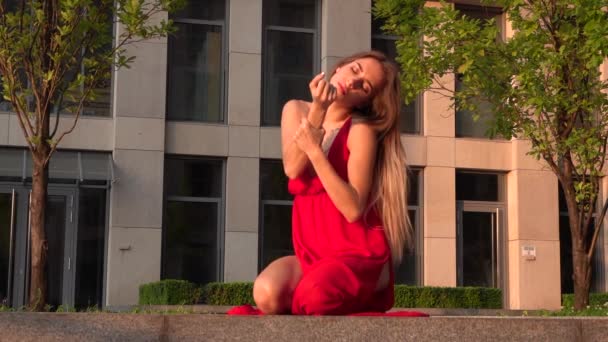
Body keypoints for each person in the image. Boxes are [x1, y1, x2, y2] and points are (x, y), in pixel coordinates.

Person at [253, 50, 412, 315]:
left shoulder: (360, 131)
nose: (352, 82)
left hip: (355, 251)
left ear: (365, 101)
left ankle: (369, 283)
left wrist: (315, 152)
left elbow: (353, 209)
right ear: (341, 67)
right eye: (355, 69)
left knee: (315, 296)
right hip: (313, 253)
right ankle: (326, 288)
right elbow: (293, 169)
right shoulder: (295, 109)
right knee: (266, 293)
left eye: (365, 86)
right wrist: (317, 109)